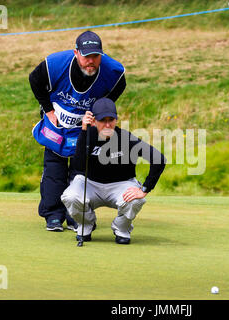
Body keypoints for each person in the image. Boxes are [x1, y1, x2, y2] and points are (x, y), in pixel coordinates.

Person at [29, 31, 126, 232]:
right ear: (76, 53)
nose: (91, 61)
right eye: (86, 56)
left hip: (84, 127)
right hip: (57, 124)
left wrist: (99, 113)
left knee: (81, 172)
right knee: (54, 170)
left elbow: (117, 89)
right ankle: (53, 215)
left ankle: (76, 216)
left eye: (95, 56)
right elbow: (34, 80)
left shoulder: (113, 72)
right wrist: (48, 110)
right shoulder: (55, 63)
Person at [61, 98, 166, 244]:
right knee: (70, 197)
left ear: (116, 119)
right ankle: (86, 224)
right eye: (103, 120)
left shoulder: (126, 138)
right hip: (91, 184)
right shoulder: (87, 135)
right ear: (94, 120)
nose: (108, 124)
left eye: (111, 119)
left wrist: (145, 188)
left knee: (136, 200)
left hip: (121, 185)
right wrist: (84, 131)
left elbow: (158, 159)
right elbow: (78, 166)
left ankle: (121, 228)